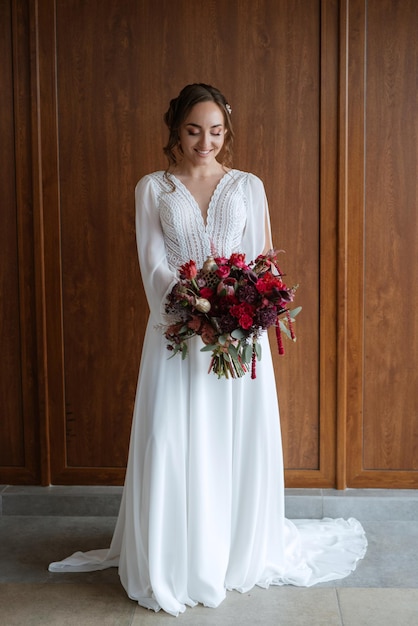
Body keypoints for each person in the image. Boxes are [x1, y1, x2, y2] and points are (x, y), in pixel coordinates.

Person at [49, 83, 367, 616]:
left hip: (238, 341)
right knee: (172, 441)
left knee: (232, 440)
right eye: (194, 130)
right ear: (176, 129)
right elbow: (151, 263)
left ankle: (232, 552)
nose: (205, 142)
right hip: (176, 337)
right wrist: (193, 309)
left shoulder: (248, 186)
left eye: (216, 132)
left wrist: (245, 311)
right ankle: (176, 558)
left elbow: (263, 259)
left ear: (227, 132)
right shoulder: (153, 188)